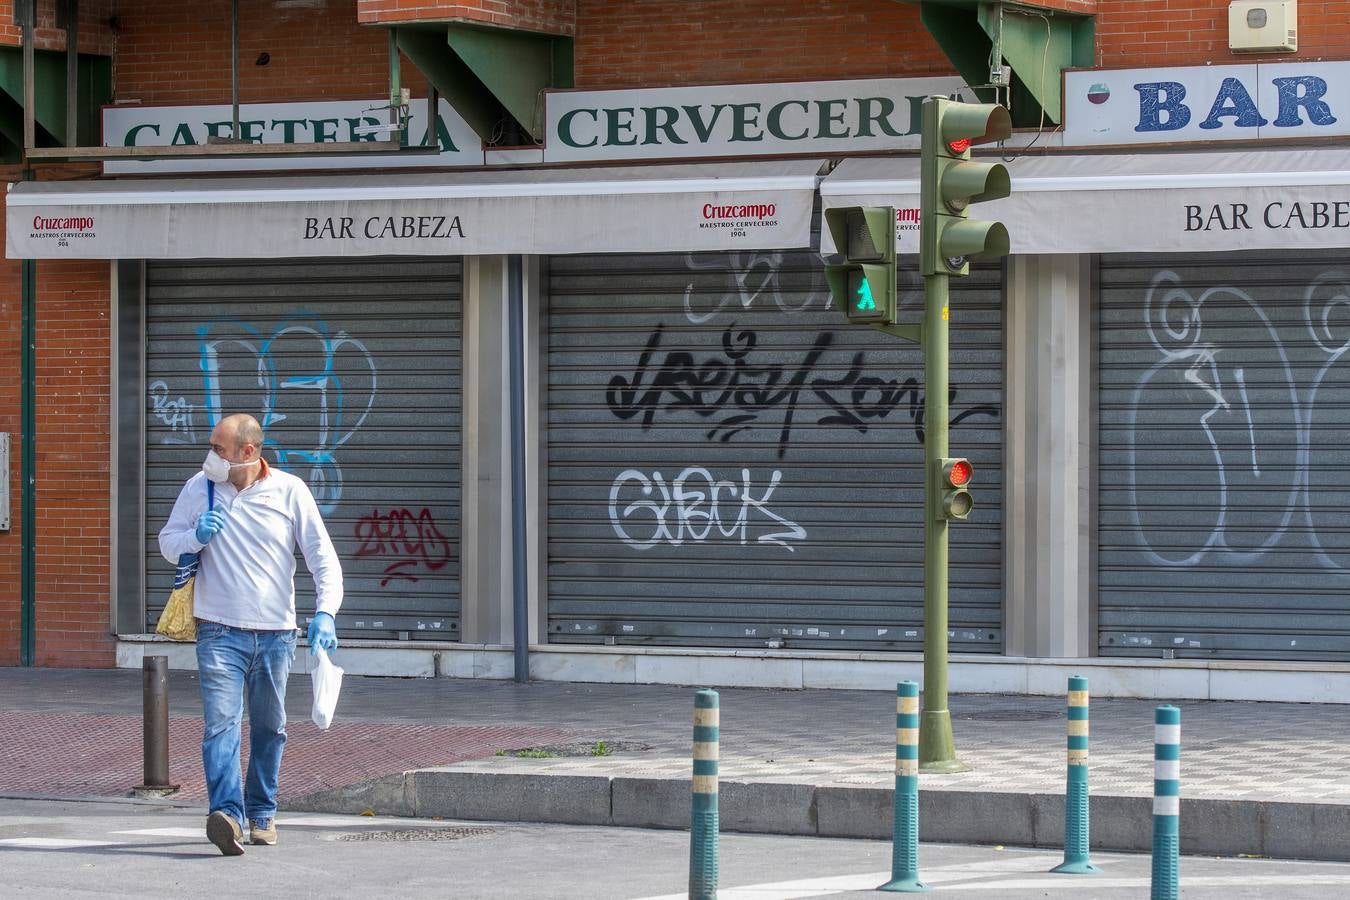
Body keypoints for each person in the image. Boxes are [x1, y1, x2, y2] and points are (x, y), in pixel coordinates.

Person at [158, 413, 343, 856]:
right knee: (221, 724)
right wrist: (194, 537)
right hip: (217, 629)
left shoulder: (289, 490)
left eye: (219, 449)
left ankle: (261, 812)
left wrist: (325, 613)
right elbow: (168, 542)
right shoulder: (199, 488)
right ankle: (227, 815)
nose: (211, 456)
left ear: (249, 452)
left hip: (277, 633)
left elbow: (322, 556)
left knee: (269, 726)